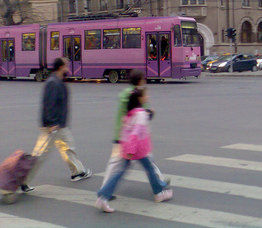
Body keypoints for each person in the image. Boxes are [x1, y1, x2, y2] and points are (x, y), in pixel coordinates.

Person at [21, 57, 92, 193]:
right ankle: (23, 181)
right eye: (66, 65)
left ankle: (78, 172)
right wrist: (52, 123)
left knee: (69, 147)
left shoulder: (57, 81)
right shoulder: (53, 83)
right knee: (41, 154)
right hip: (53, 125)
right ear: (61, 67)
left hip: (60, 124)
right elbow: (49, 104)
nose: (68, 68)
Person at [95, 87, 172, 213]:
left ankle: (103, 196)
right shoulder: (140, 114)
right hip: (137, 149)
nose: (148, 96)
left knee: (120, 172)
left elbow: (126, 130)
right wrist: (131, 149)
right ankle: (159, 193)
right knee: (150, 169)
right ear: (140, 98)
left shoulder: (131, 112)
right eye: (146, 94)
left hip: (128, 147)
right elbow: (135, 133)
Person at [101, 69, 168, 200]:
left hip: (123, 134)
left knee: (124, 163)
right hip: (130, 138)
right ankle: (105, 191)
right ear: (139, 80)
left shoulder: (126, 93)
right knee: (120, 164)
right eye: (143, 78)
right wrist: (150, 112)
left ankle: (160, 183)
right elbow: (139, 115)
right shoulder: (136, 94)